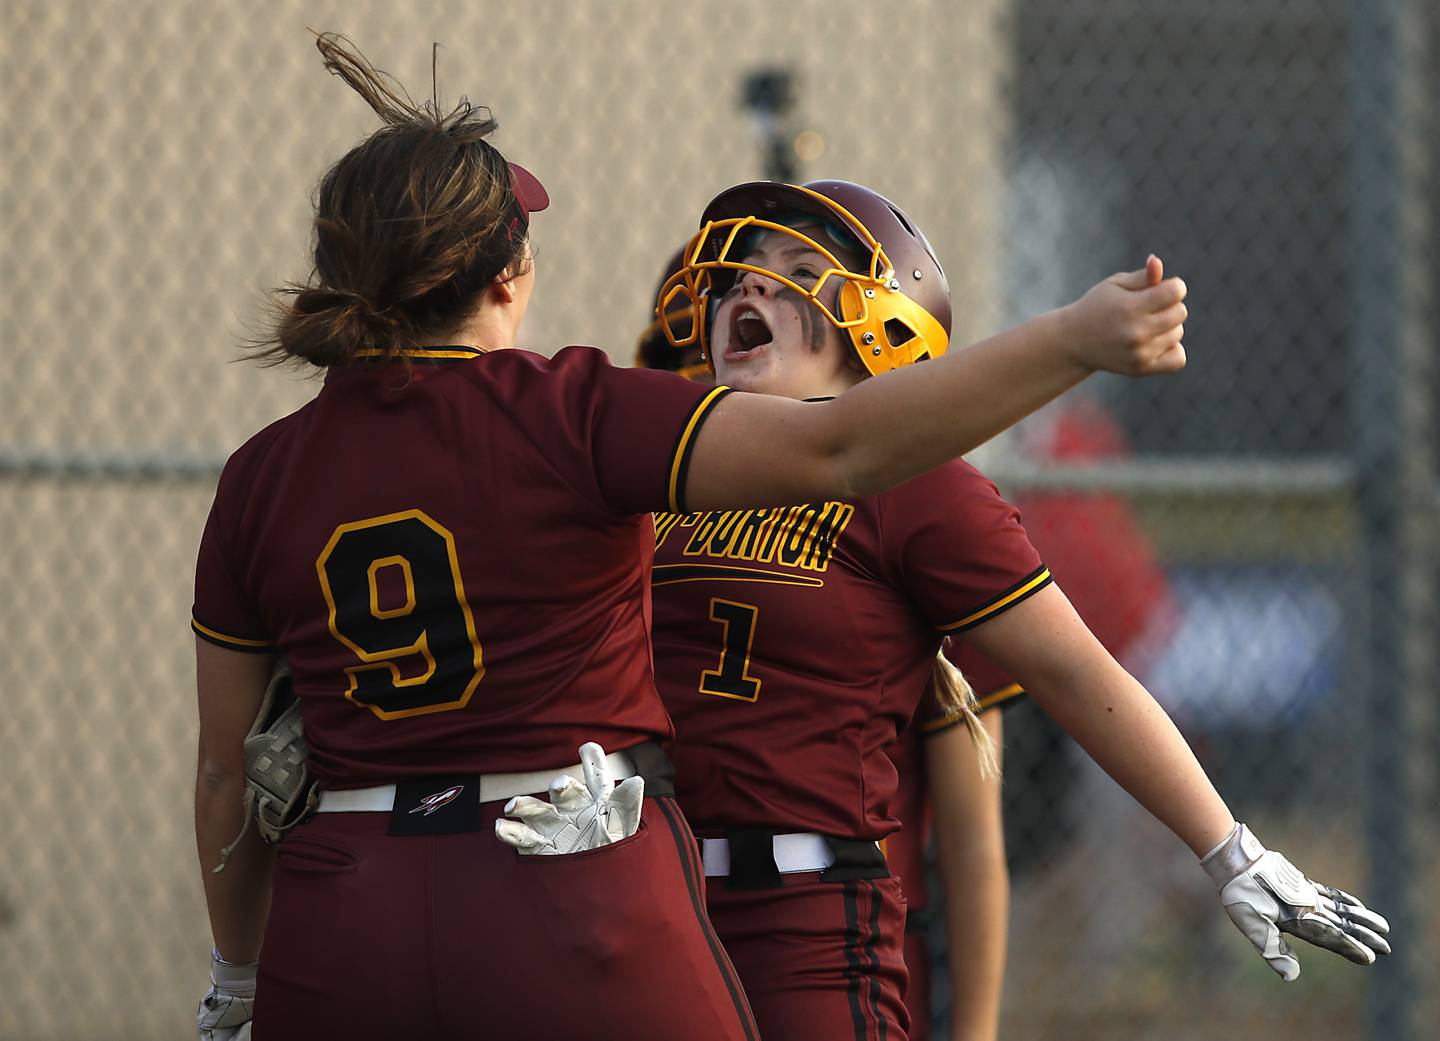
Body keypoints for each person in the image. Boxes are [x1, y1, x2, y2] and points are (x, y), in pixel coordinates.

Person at [628, 178, 1390, 1041]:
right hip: (643, 907)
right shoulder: (662, 466)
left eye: (797, 268)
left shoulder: (915, 489)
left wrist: (1228, 849)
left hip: (800, 925)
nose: (750, 287)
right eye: (741, 274)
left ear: (879, 326)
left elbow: (1074, 669)